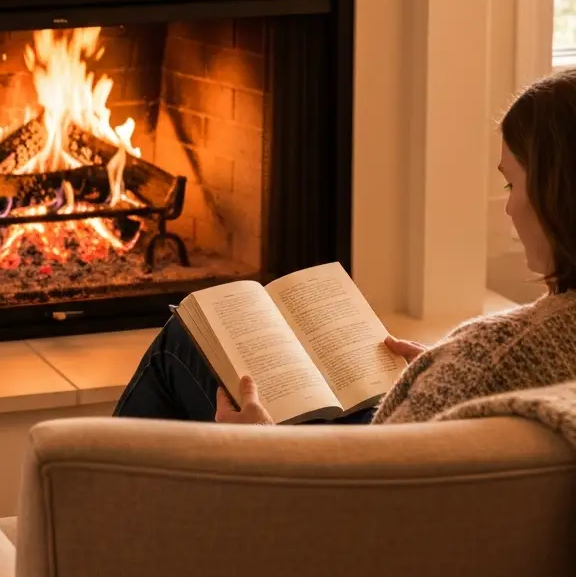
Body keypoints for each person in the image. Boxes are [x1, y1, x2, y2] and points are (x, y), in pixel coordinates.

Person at [113, 68, 576, 427]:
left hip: (324, 498)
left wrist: (255, 446)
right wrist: (437, 376)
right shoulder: (498, 358)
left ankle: (96, 532)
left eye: (511, 184)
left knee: (182, 341)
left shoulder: (492, 355)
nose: (508, 207)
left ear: (558, 196)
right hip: (406, 446)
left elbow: (359, 513)